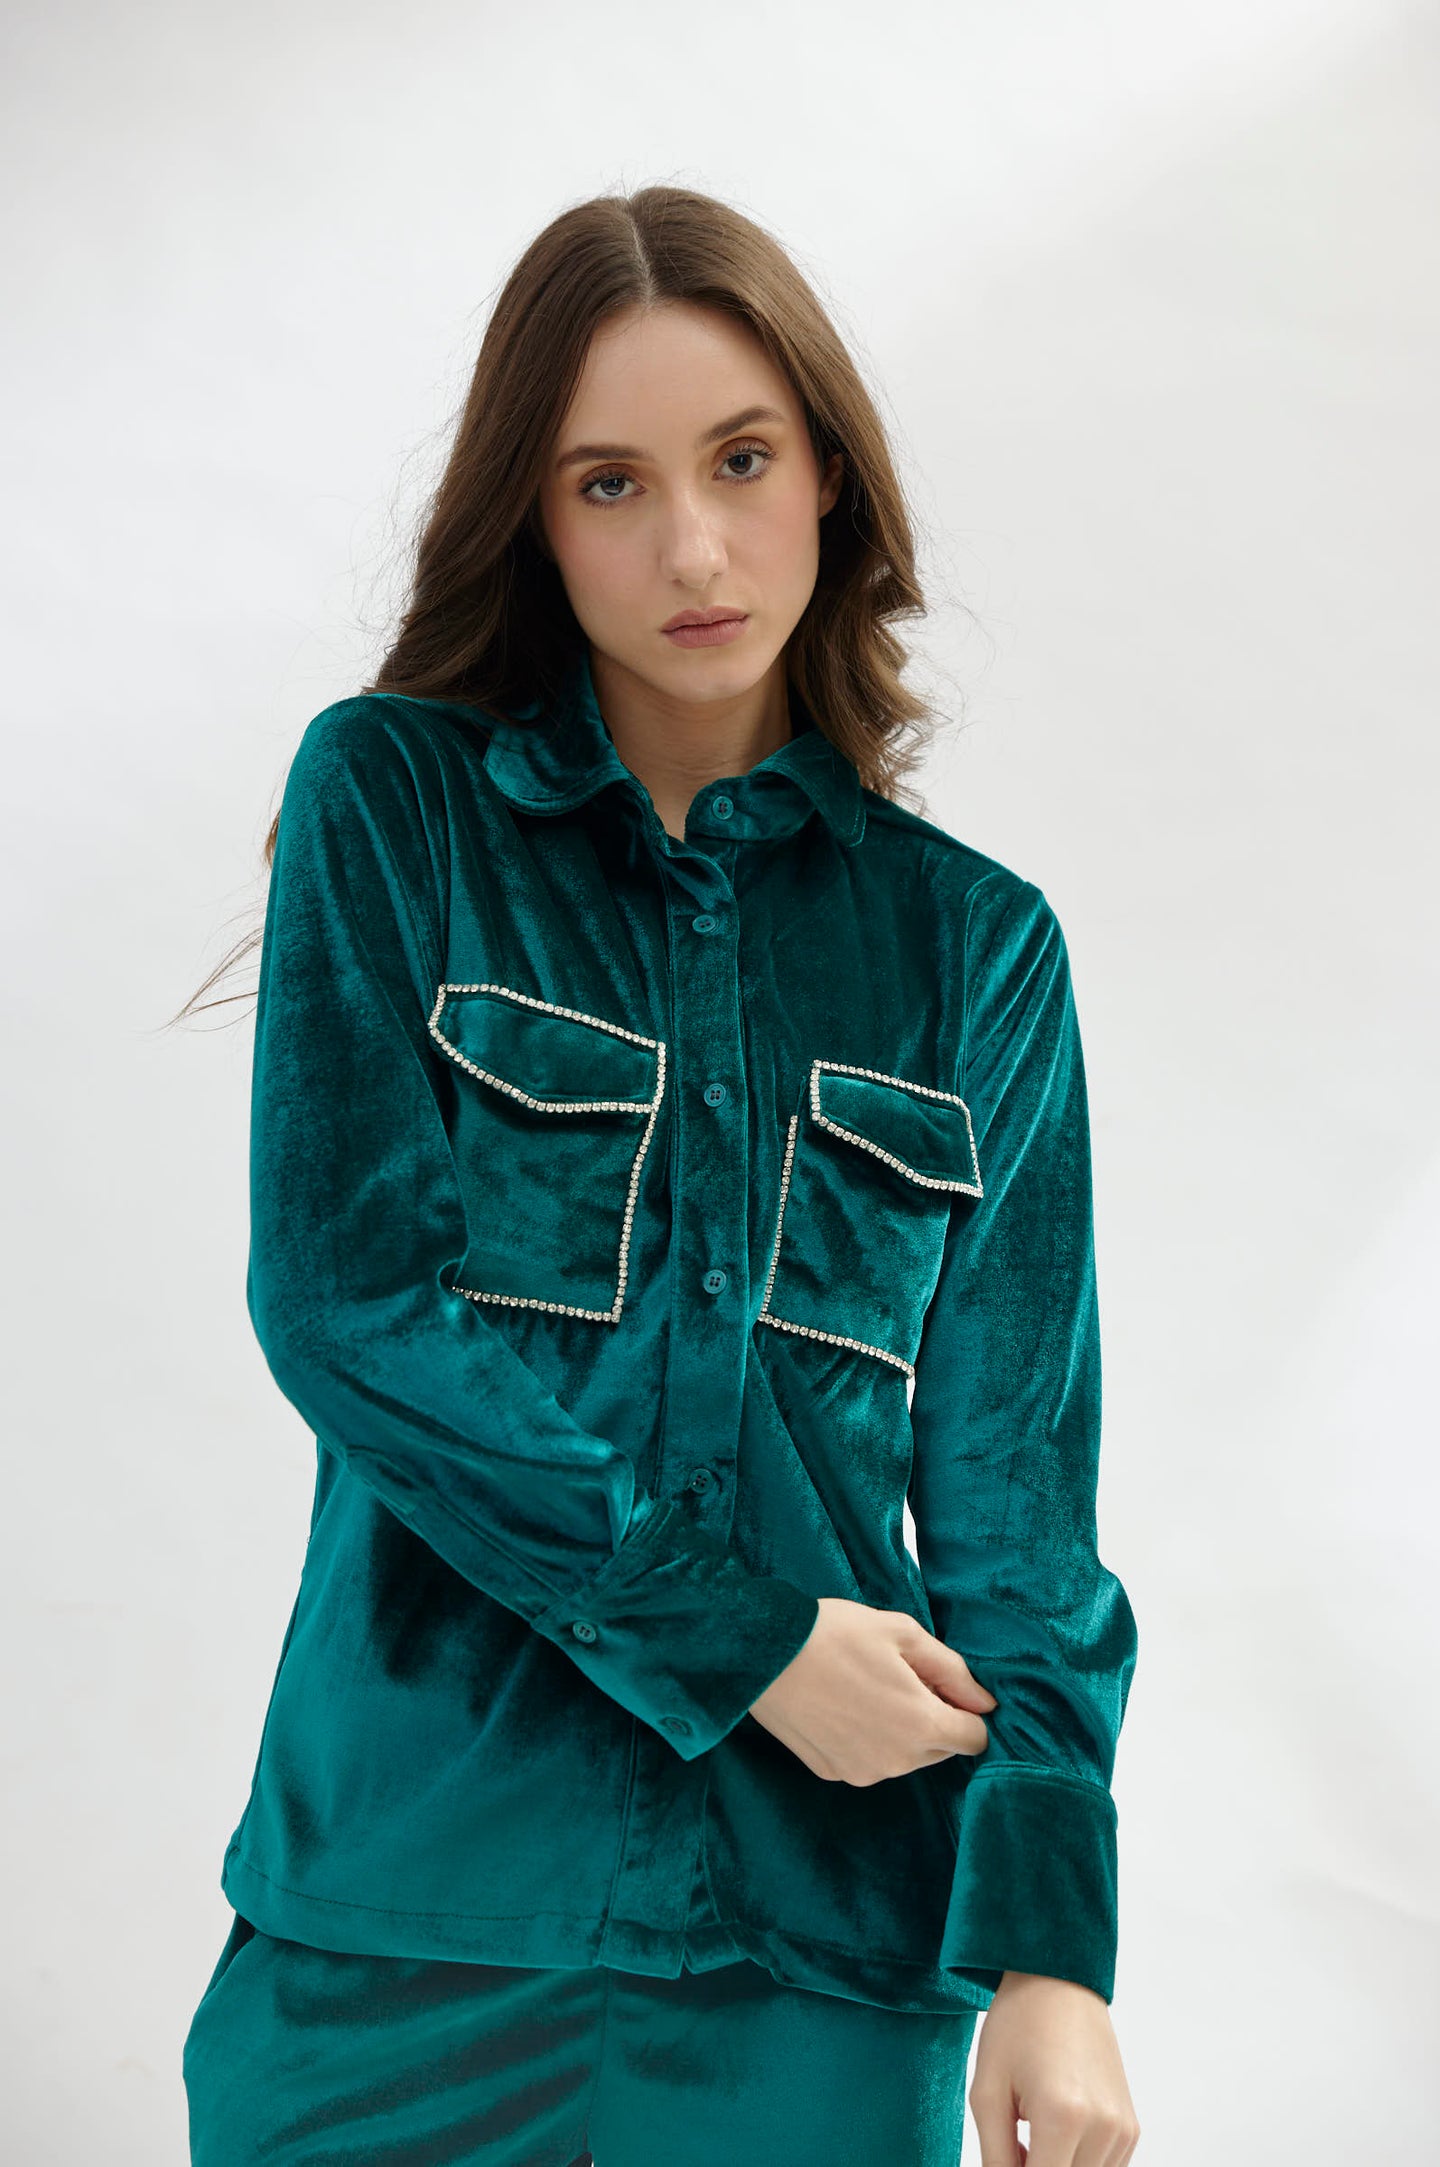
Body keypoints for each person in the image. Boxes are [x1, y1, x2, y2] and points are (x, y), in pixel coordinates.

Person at [176, 183, 1142, 2166]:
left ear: (831, 478)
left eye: (742, 460)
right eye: (608, 484)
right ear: (532, 521)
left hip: (825, 1955)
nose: (692, 547)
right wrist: (746, 1636)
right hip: (413, 1932)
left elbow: (1014, 1505)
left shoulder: (977, 952)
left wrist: (1052, 1955)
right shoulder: (393, 802)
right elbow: (350, 1305)